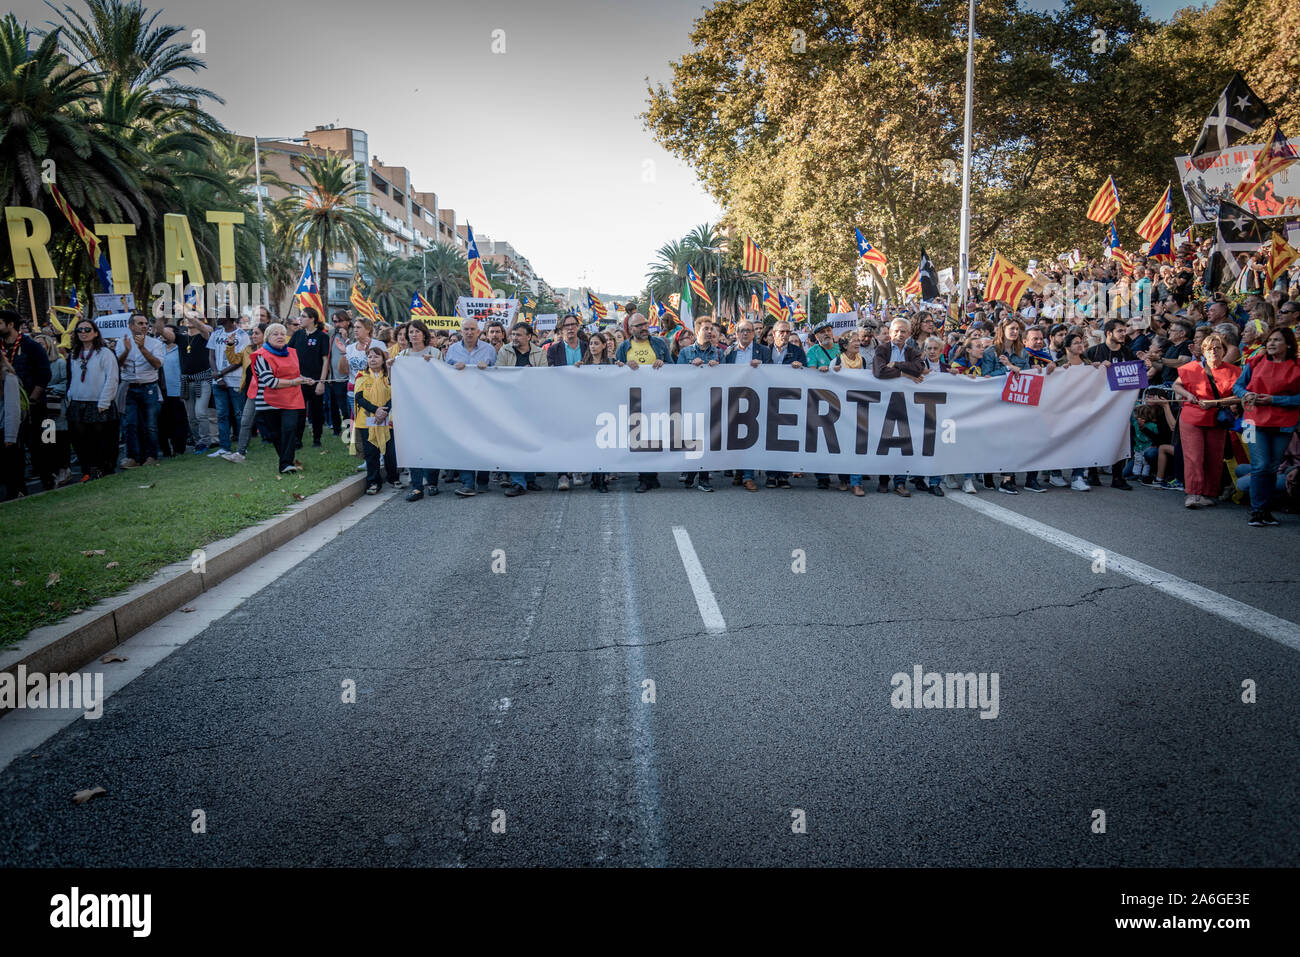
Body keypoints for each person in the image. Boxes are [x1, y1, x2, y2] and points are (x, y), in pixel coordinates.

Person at [1234, 326, 1300, 526]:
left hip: (1284, 424)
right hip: (1253, 422)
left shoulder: (1297, 366)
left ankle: (1266, 511)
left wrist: (1274, 400)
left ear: (1288, 344)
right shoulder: (1255, 361)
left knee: (1272, 467)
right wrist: (1245, 395)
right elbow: (1237, 386)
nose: (1271, 343)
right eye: (1270, 340)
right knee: (1260, 465)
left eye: (1277, 340)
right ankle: (1257, 511)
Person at [1173, 334, 1240, 509]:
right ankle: (1193, 493)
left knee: (1214, 457)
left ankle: (1209, 492)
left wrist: (1216, 403)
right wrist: (1188, 395)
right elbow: (1176, 384)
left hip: (1217, 418)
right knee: (1194, 456)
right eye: (1210, 348)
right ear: (1203, 351)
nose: (1214, 352)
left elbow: (1238, 396)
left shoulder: (1234, 371)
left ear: (1224, 350)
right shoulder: (1192, 368)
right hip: (1192, 417)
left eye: (1218, 348)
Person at [873, 318, 930, 497]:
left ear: (908, 334)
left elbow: (919, 368)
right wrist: (905, 373)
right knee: (885, 441)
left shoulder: (912, 351)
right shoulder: (882, 349)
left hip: (907, 404)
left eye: (903, 331)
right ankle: (883, 480)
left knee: (904, 441)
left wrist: (896, 365)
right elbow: (879, 371)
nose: (899, 334)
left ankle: (900, 482)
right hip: (885, 403)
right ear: (890, 333)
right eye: (896, 331)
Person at [615, 313, 670, 492]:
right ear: (631, 329)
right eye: (639, 325)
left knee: (654, 436)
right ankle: (644, 477)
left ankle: (652, 476)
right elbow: (615, 370)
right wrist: (624, 367)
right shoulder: (624, 347)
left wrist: (663, 364)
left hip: (656, 397)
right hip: (634, 399)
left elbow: (674, 367)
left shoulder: (659, 343)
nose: (644, 327)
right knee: (639, 437)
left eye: (645, 324)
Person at [446, 318, 497, 497]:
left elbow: (498, 375)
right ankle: (468, 482)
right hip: (461, 403)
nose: (469, 332)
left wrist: (488, 368)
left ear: (479, 331)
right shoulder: (452, 350)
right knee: (465, 441)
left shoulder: (489, 350)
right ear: (461, 331)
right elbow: (443, 375)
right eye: (466, 329)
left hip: (484, 403)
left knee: (483, 441)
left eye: (472, 329)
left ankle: (482, 480)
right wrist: (453, 368)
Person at [249, 322, 310, 474]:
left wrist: (304, 379)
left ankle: (286, 464)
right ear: (268, 337)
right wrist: (293, 382)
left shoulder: (292, 352)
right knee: (276, 434)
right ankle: (285, 462)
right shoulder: (261, 356)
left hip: (291, 399)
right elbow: (271, 382)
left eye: (282, 334)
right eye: (275, 334)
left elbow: (294, 375)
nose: (280, 337)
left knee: (289, 429)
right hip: (269, 400)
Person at [1085, 319, 1137, 490]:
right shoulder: (1094, 352)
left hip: (1120, 405)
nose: (1124, 334)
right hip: (1098, 403)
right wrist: (1094, 368)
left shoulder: (1128, 353)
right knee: (1095, 437)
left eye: (1124, 330)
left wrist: (1147, 365)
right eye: (1120, 331)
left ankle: (1118, 476)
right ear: (1109, 333)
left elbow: (1137, 375)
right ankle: (1092, 473)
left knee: (1122, 438)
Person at [65, 319, 119, 481]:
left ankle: (102, 469)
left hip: (99, 402)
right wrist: (70, 396)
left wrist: (104, 402)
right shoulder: (74, 354)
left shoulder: (105, 353)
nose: (83, 332)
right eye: (79, 330)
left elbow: (112, 378)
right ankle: (87, 471)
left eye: (87, 329)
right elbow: (72, 378)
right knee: (80, 441)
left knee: (101, 441)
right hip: (77, 402)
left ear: (95, 333)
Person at [675, 318, 725, 492]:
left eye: (711, 329)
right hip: (691, 400)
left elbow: (728, 376)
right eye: (706, 329)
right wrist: (691, 366)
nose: (710, 332)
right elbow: (677, 375)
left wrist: (718, 368)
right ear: (697, 332)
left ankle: (703, 479)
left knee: (707, 439)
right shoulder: (686, 352)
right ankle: (690, 474)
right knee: (693, 440)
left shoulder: (719, 353)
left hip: (711, 401)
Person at [115, 313, 165, 468]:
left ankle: (151, 455)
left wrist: (142, 348)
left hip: (149, 387)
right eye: (140, 323)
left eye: (146, 323)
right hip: (129, 387)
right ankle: (132, 457)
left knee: (150, 425)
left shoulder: (155, 343)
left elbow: (157, 364)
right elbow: (117, 364)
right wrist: (126, 351)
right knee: (130, 424)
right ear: (131, 326)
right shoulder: (121, 342)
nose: (144, 326)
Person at [207, 306, 251, 459]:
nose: (217, 317)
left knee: (239, 414)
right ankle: (224, 447)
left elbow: (240, 360)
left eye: (219, 314)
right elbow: (211, 356)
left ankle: (242, 447)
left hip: (235, 381)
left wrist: (221, 373)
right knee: (222, 414)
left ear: (228, 317)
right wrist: (217, 376)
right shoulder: (216, 334)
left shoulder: (242, 335)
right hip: (218, 382)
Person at [355, 345, 399, 494]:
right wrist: (376, 410)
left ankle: (393, 478)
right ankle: (373, 482)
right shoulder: (361, 376)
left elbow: (394, 395)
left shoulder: (389, 377)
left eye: (376, 356)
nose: (372, 359)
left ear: (383, 359)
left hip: (387, 419)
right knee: (371, 453)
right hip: (367, 420)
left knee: (390, 452)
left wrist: (384, 411)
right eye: (370, 357)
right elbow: (359, 398)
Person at [289, 306, 330, 449]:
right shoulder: (297, 335)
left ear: (312, 319)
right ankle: (297, 440)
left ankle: (317, 439)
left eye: (303, 316)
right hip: (299, 380)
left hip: (315, 381)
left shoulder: (322, 336)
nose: (300, 319)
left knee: (316, 411)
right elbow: (289, 355)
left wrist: (321, 382)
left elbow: (325, 361)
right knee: (299, 412)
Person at [227, 322, 267, 463]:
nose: (253, 336)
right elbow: (234, 360)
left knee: (275, 422)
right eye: (252, 333)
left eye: (256, 333)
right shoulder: (248, 349)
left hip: (272, 391)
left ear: (265, 335)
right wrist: (230, 345)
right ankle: (240, 453)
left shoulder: (272, 350)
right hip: (253, 391)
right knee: (245, 421)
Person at [177, 310, 215, 453]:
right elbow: (161, 331)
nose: (189, 319)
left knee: (200, 413)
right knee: (191, 417)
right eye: (188, 317)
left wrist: (186, 313)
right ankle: (198, 442)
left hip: (203, 380)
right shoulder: (181, 338)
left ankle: (205, 441)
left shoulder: (205, 336)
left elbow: (204, 329)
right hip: (187, 381)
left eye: (194, 317)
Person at [157, 323, 189, 457]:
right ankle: (165, 450)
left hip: (177, 392)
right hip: (162, 393)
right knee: (162, 423)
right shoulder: (158, 349)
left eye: (167, 332)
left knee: (179, 422)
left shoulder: (181, 349)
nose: (164, 335)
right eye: (162, 332)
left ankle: (179, 449)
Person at [326, 311, 352, 434]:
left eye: (340, 321)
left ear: (347, 321)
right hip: (335, 376)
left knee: (348, 406)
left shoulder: (353, 333)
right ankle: (339, 430)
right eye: (335, 321)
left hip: (349, 376)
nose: (337, 324)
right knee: (338, 405)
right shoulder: (331, 334)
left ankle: (351, 430)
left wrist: (346, 338)